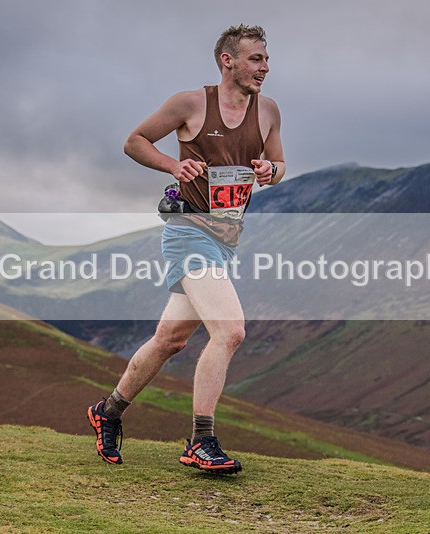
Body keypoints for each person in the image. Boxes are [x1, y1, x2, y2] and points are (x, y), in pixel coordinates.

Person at [86, 24, 285, 474]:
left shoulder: (268, 110)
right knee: (230, 330)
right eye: (256, 59)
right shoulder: (191, 103)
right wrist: (174, 165)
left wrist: (270, 169)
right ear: (227, 61)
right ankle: (201, 440)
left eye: (268, 59)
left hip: (227, 239)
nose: (266, 68)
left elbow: (281, 164)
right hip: (188, 233)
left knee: (169, 340)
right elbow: (134, 141)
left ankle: (108, 412)